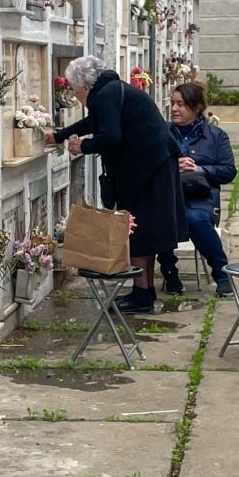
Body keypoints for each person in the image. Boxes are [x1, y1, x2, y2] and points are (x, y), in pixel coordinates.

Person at [47, 56, 187, 314]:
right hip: (154, 164)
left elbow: (111, 136)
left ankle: (141, 297)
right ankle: (145, 290)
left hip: (148, 168)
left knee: (138, 229)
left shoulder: (104, 96)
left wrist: (84, 146)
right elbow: (95, 122)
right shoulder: (110, 90)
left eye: (75, 91)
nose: (76, 97)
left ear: (85, 86)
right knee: (144, 229)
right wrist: (59, 135)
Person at [155, 82, 236, 296]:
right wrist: (173, 166)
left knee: (195, 218)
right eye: (173, 103)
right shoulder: (161, 133)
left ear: (197, 107)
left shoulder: (216, 136)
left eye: (180, 104)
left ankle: (221, 273)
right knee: (163, 217)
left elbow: (228, 171)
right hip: (168, 195)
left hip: (201, 197)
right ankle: (170, 273)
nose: (174, 108)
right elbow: (147, 165)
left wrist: (199, 169)